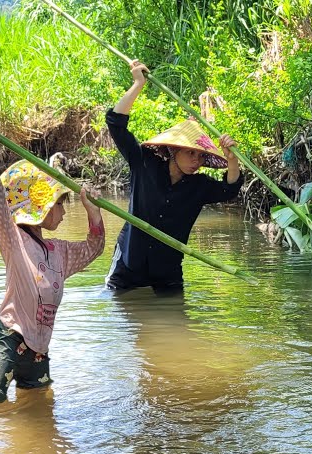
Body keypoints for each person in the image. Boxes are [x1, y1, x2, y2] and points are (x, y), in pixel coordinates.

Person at [0, 113, 106, 412]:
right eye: (59, 204)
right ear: (39, 206)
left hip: (39, 350)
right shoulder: (14, 239)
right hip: (8, 338)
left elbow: (93, 249)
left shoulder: (59, 252)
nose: (64, 212)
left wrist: (93, 213)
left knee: (40, 406)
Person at [104, 59, 242, 294]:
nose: (196, 161)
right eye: (191, 153)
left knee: (175, 311)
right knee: (117, 306)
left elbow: (229, 189)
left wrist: (232, 160)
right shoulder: (144, 162)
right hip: (130, 261)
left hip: (166, 269)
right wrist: (138, 84)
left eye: (201, 156)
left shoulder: (199, 186)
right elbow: (116, 125)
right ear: (173, 150)